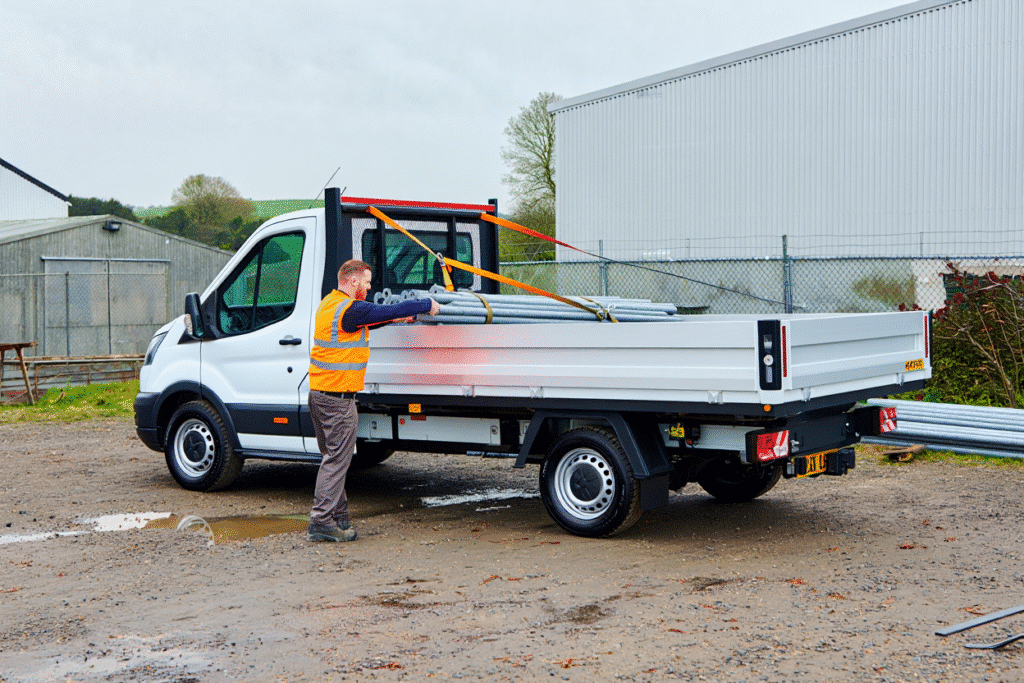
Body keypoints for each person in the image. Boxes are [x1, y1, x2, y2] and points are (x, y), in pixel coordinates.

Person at [306, 259, 440, 542]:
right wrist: (424, 303)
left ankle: (339, 520)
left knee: (334, 462)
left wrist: (396, 319)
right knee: (336, 462)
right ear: (353, 281)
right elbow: (384, 310)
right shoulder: (350, 308)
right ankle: (321, 521)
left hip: (320, 395)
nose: (369, 286)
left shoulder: (330, 304)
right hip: (338, 401)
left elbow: (367, 321)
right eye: (366, 281)